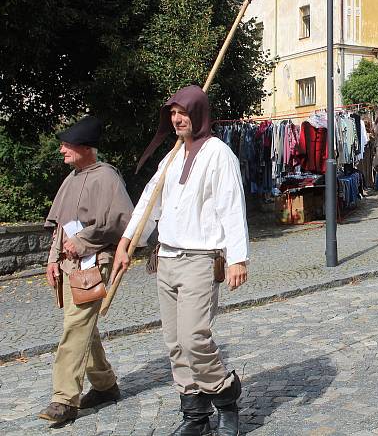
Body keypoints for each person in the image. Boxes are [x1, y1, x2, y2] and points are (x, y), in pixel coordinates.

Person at [111, 85, 248, 436]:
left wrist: (237, 258)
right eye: (172, 113)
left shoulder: (220, 155)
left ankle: (226, 396)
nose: (176, 118)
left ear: (198, 114)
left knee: (194, 339)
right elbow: (149, 203)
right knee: (174, 344)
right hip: (166, 260)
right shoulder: (171, 156)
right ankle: (195, 415)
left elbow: (232, 208)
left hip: (201, 261)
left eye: (183, 112)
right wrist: (128, 241)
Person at [38, 116, 133, 424]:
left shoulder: (107, 177)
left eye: (66, 146)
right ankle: (105, 386)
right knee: (83, 326)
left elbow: (118, 223)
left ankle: (64, 398)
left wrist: (83, 240)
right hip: (68, 266)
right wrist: (53, 260)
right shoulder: (72, 177)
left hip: (95, 264)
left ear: (84, 147)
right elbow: (61, 227)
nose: (62, 151)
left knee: (76, 326)